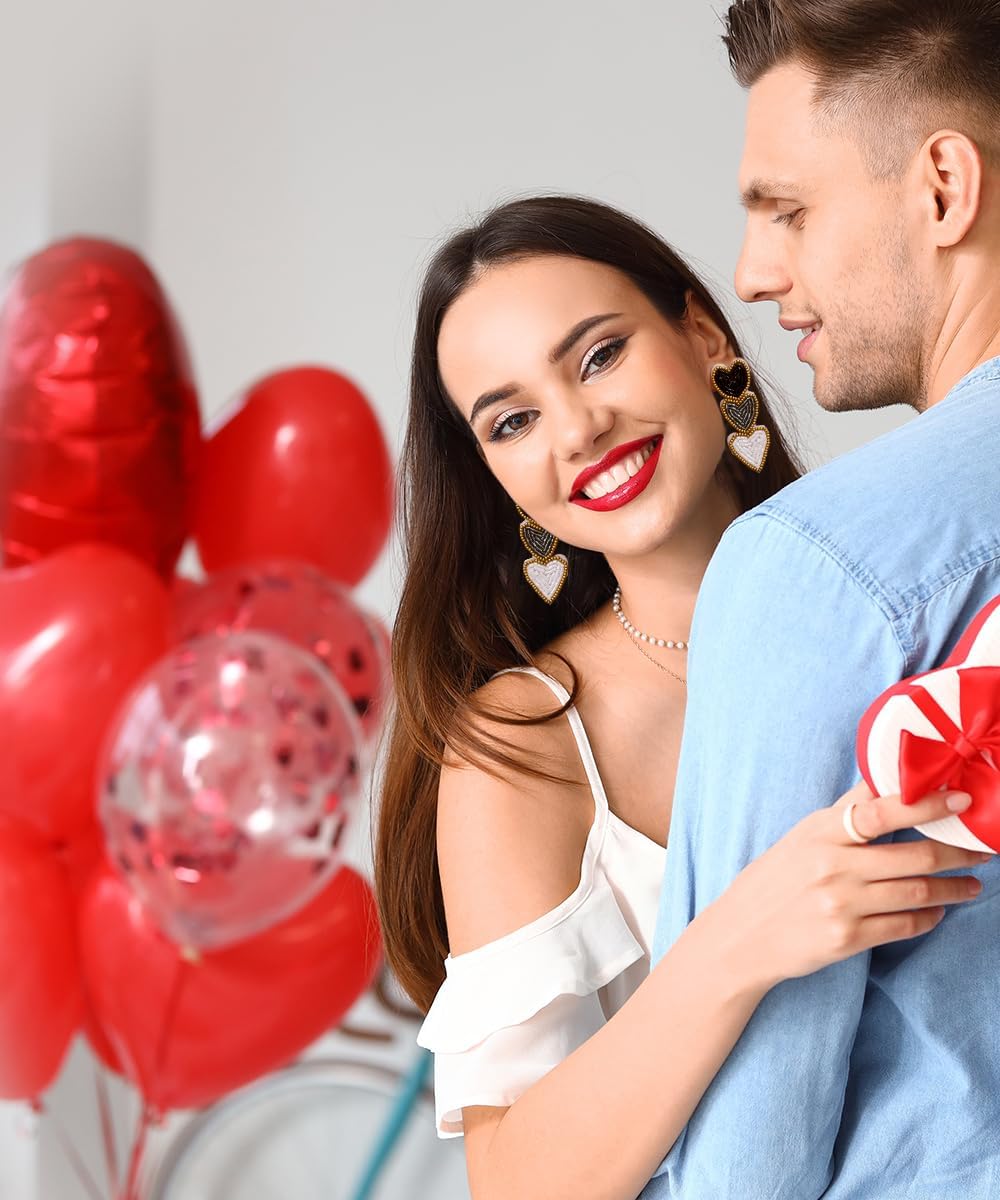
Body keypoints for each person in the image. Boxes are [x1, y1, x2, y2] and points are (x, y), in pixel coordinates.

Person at [373, 195, 988, 1200]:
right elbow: (515, 1184)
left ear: (700, 336)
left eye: (599, 355)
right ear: (495, 479)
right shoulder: (525, 741)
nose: (578, 427)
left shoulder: (901, 588)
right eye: (514, 420)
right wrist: (737, 943)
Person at [644, 3, 1000, 1197]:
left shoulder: (817, 566)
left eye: (787, 210)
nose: (752, 273)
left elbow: (746, 1152)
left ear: (942, 188)